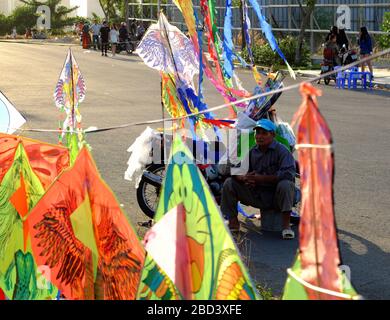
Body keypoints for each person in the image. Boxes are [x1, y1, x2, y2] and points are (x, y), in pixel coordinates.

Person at [220, 119, 296, 239]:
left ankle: (286, 226)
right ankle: (233, 223)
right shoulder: (253, 151)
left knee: (286, 184)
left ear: (273, 135)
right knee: (230, 183)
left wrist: (261, 179)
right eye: (257, 133)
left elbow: (288, 174)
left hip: (276, 196)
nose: (259, 136)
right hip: (257, 195)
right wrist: (244, 177)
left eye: (264, 133)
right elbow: (236, 169)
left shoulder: (282, 151)